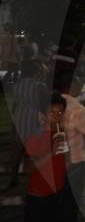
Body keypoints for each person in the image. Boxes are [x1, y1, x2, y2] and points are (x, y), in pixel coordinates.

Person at [54, 70, 85, 222]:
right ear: (70, 85)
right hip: (75, 159)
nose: (80, 85)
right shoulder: (77, 109)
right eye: (77, 82)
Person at [24, 92, 69, 222]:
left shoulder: (61, 134)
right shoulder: (35, 136)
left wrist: (69, 152)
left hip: (57, 192)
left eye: (60, 112)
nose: (56, 116)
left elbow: (66, 165)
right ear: (43, 115)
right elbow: (27, 168)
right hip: (38, 196)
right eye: (51, 113)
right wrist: (51, 152)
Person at [8, 59, 45, 188]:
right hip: (33, 118)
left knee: (17, 148)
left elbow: (15, 103)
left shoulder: (16, 85)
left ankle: (13, 177)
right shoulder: (39, 86)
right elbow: (42, 104)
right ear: (36, 73)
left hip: (19, 115)